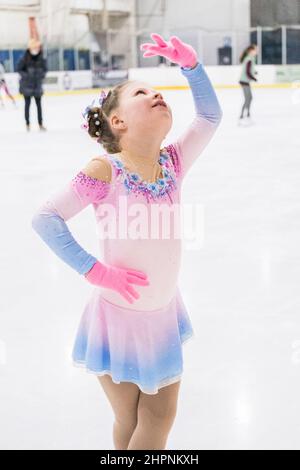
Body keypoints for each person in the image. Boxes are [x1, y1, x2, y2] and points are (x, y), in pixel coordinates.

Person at [31, 33, 222, 450]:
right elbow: (46, 218)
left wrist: (190, 65)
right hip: (116, 320)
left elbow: (208, 117)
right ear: (117, 121)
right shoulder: (106, 170)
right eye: (142, 92)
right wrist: (98, 272)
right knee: (139, 420)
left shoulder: (172, 162)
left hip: (162, 313)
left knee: (150, 419)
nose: (156, 94)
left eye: (158, 90)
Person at [17, 38, 47, 131]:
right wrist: (27, 76)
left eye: (37, 47)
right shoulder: (24, 58)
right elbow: (19, 69)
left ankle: (40, 123)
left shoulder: (41, 58)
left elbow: (45, 69)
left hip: (37, 85)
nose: (36, 49)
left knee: (39, 105)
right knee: (27, 105)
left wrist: (40, 75)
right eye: (35, 47)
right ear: (30, 48)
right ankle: (27, 124)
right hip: (27, 85)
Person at [238, 44, 258, 125]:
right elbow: (247, 72)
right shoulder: (249, 59)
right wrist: (254, 78)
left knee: (249, 98)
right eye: (255, 50)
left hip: (245, 81)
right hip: (244, 81)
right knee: (248, 98)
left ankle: (247, 115)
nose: (257, 51)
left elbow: (249, 69)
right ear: (251, 51)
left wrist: (254, 72)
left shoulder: (250, 58)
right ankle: (242, 116)